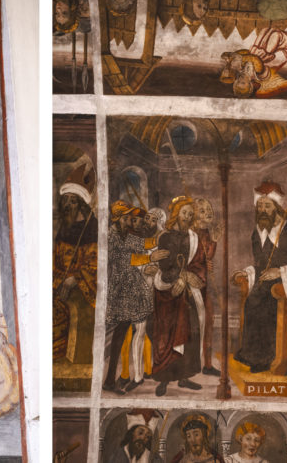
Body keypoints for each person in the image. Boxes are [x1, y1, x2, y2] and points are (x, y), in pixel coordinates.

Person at [233, 181, 287, 373]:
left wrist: (281, 272)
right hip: (266, 282)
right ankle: (251, 353)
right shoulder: (257, 232)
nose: (263, 210)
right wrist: (249, 272)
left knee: (262, 304)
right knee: (252, 302)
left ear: (276, 207)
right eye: (260, 206)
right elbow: (260, 264)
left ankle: (264, 359)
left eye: (267, 206)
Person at [104, 202, 167, 394]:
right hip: (122, 288)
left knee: (131, 328)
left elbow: (144, 244)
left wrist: (164, 236)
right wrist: (150, 258)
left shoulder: (125, 234)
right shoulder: (112, 235)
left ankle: (122, 377)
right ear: (117, 218)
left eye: (130, 218)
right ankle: (111, 379)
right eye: (126, 218)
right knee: (122, 331)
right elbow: (126, 260)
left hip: (132, 286)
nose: (129, 221)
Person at [149, 196, 203, 396]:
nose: (187, 217)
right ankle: (163, 380)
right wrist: (178, 278)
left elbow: (198, 263)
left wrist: (187, 277)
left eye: (190, 214)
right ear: (176, 214)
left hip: (186, 291)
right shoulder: (165, 237)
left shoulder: (193, 238)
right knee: (165, 335)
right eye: (184, 213)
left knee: (188, 333)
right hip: (167, 292)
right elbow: (164, 265)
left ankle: (184, 377)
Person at [54, 163, 98, 363]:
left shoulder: (91, 229)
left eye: (73, 201)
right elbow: (55, 261)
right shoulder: (64, 228)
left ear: (81, 203)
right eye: (66, 201)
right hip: (60, 282)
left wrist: (76, 279)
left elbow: (95, 263)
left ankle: (72, 360)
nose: (68, 206)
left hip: (85, 285)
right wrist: (56, 281)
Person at [192, 198, 220, 376]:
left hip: (203, 285)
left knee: (209, 322)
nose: (207, 213)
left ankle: (207, 365)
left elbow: (208, 256)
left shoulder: (207, 233)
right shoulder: (190, 233)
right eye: (202, 211)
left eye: (208, 209)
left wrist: (214, 241)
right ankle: (187, 368)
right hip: (191, 286)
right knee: (193, 326)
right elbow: (192, 258)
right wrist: (204, 262)